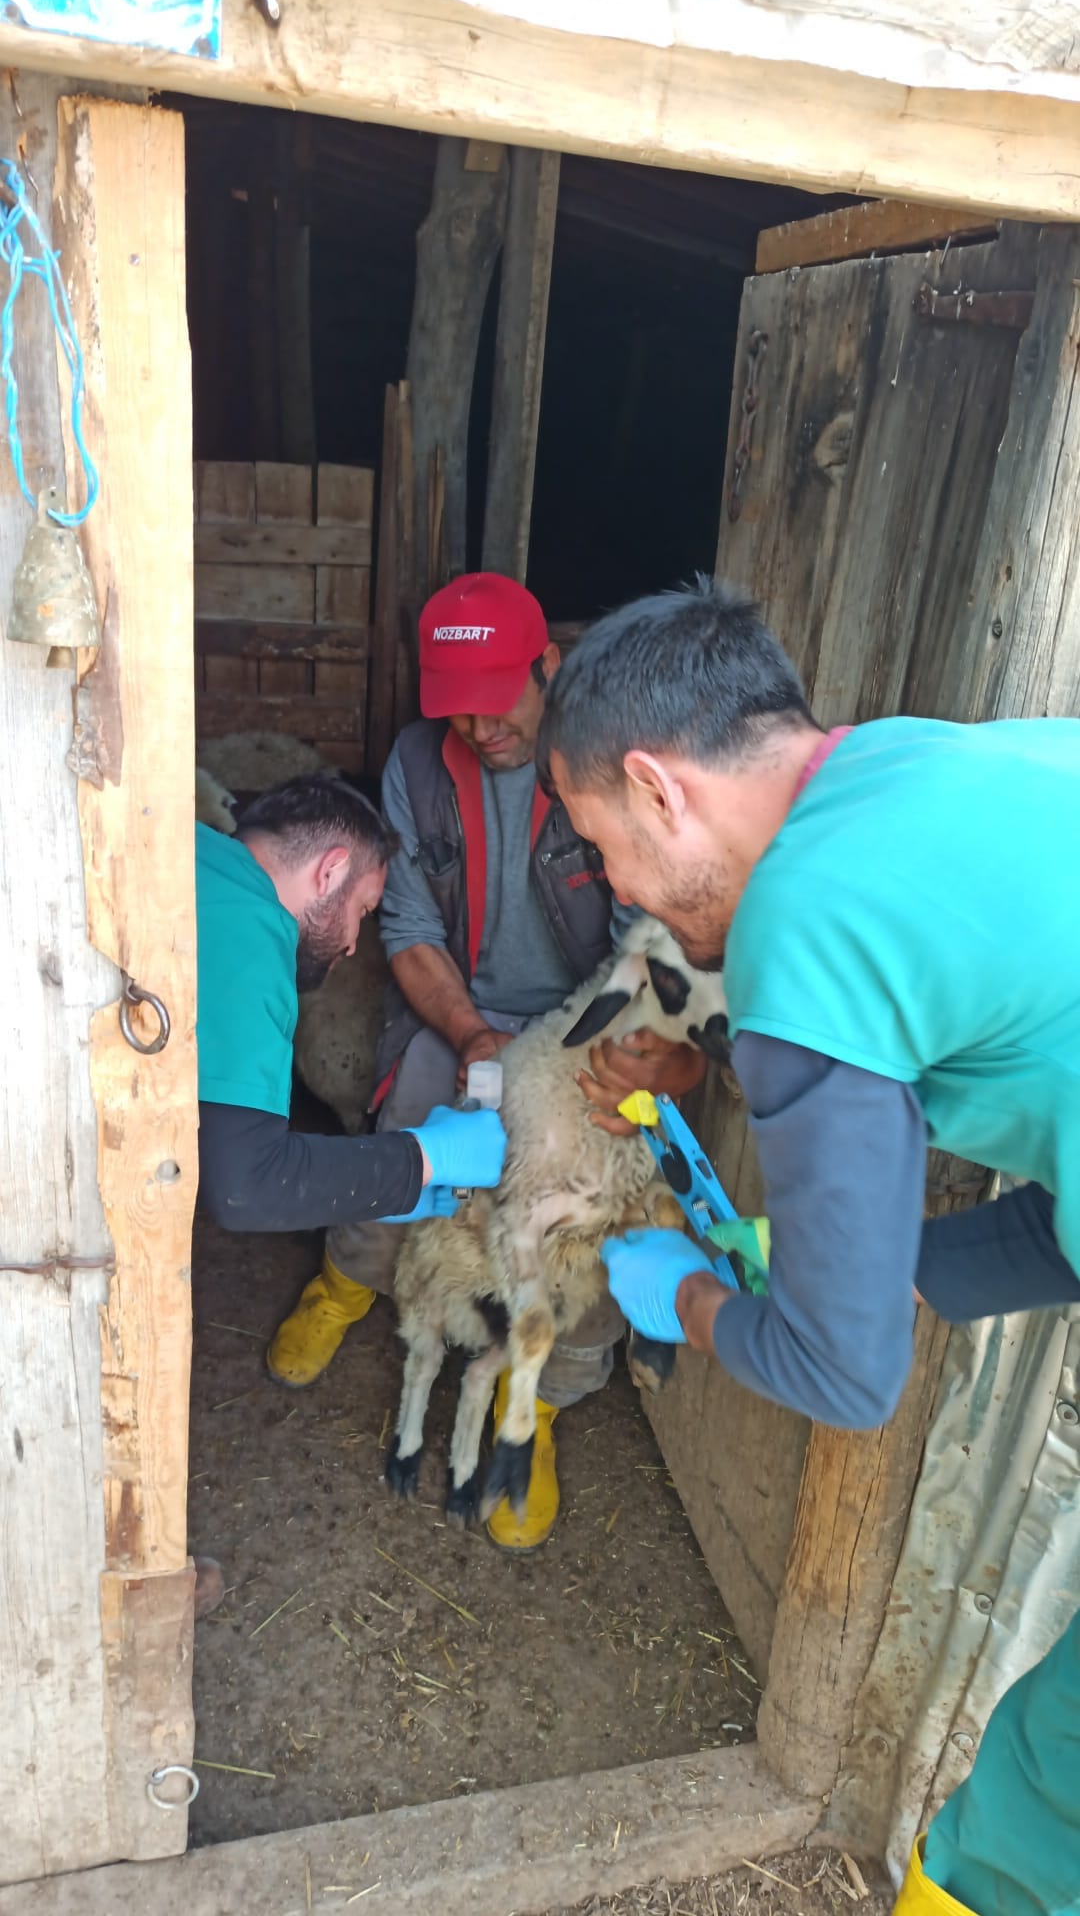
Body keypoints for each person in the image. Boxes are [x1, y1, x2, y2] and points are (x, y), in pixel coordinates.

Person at [537, 576, 1080, 1916]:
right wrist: (903, 1263)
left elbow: (849, 1377)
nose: (617, 889)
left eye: (603, 847)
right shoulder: (922, 765)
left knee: (1040, 1790)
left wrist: (697, 1306)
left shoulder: (800, 926)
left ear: (663, 790)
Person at [267, 572, 705, 1550]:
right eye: (453, 702)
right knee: (411, 1134)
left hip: (587, 1022)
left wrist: (568, 1056)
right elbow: (411, 932)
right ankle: (350, 1281)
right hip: (460, 1008)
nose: (477, 721)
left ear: (546, 665)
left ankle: (542, 1393)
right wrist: (470, 1038)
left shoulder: (610, 763)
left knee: (591, 1189)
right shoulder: (417, 767)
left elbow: (649, 947)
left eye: (497, 694)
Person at [195, 775, 506, 1249]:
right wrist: (427, 1157)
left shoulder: (193, 853)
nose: (354, 943)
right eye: (364, 909)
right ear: (331, 871)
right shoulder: (256, 935)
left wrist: (392, 1192)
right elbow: (245, 1185)